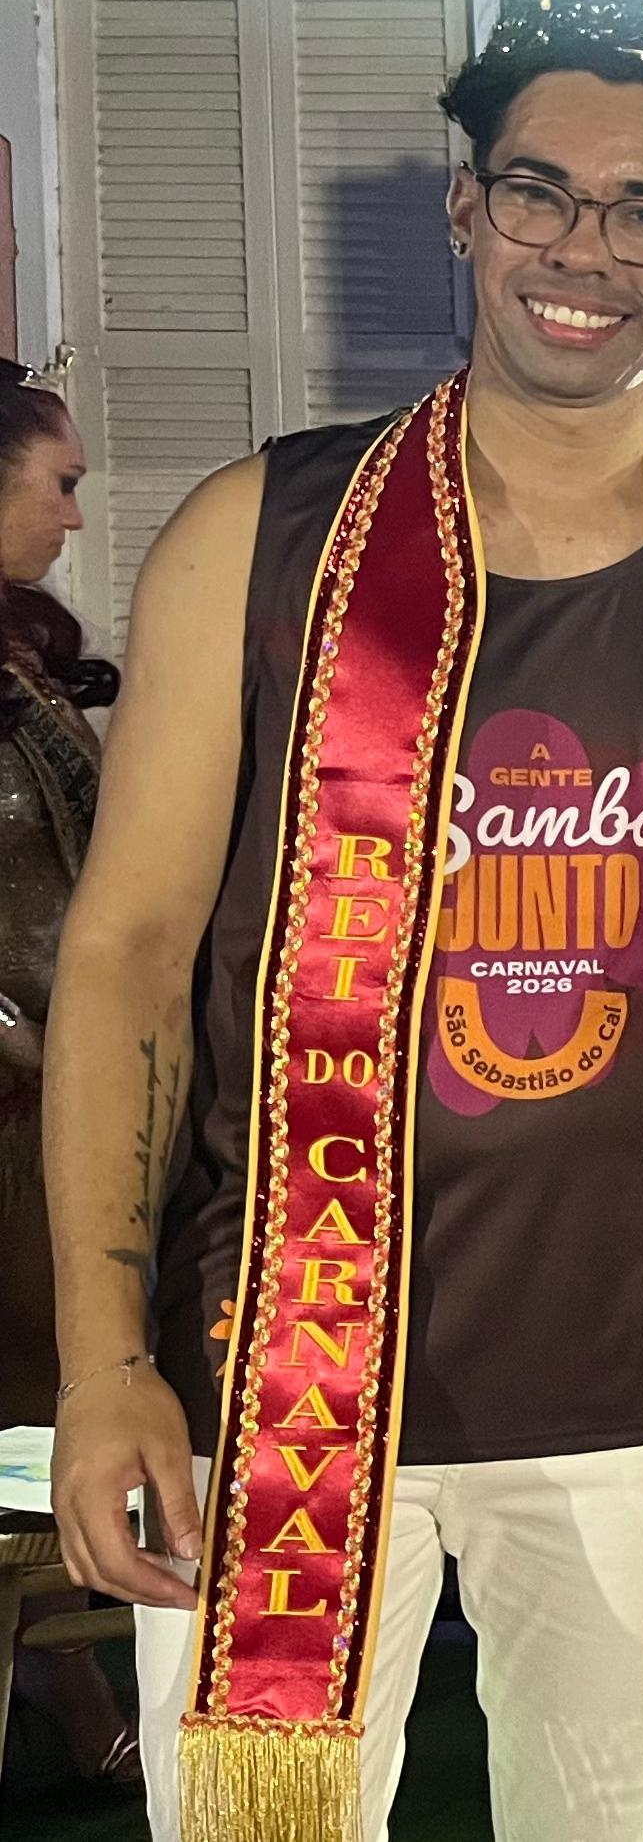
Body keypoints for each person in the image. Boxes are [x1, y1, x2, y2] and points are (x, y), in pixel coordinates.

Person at [39, 0, 643, 1842]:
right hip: (283, 1360)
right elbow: (129, 953)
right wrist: (105, 1365)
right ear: (467, 208)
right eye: (542, 192)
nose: (586, 250)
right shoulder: (257, 536)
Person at [0, 360, 132, 1787]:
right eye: (62, 482)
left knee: (40, 1403)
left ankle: (64, 1684)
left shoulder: (24, 663)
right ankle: (62, 1695)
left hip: (61, 1089)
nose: (77, 515)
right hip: (15, 1093)